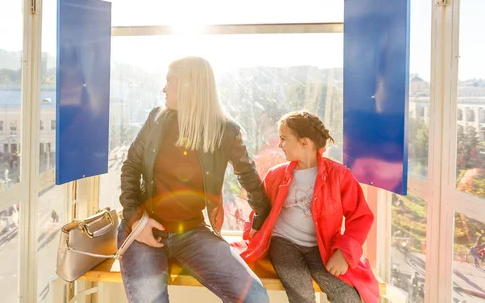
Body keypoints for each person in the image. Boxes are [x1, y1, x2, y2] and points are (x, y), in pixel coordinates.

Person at [118, 56, 271, 303]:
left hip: (191, 232)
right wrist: (136, 220)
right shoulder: (156, 118)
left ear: (189, 86)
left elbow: (248, 175)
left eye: (170, 81)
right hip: (143, 228)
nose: (163, 88)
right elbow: (131, 168)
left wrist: (262, 218)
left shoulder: (225, 131)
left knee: (256, 298)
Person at [237, 111, 380, 303]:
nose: (279, 145)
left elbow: (360, 216)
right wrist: (253, 230)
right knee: (301, 293)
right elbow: (260, 208)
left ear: (305, 143)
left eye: (283, 139)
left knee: (347, 296)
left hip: (320, 247)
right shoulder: (276, 175)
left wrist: (344, 254)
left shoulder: (339, 176)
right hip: (283, 242)